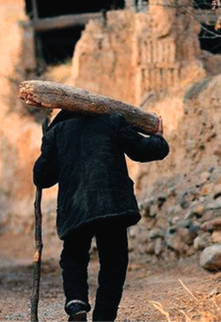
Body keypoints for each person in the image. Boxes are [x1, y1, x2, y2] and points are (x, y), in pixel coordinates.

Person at [33, 110, 169, 322]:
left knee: (73, 258)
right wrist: (159, 139)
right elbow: (142, 151)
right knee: (114, 263)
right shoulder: (113, 120)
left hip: (75, 208)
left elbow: (42, 177)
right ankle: (104, 318)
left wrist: (47, 144)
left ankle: (76, 302)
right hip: (111, 203)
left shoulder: (57, 131)